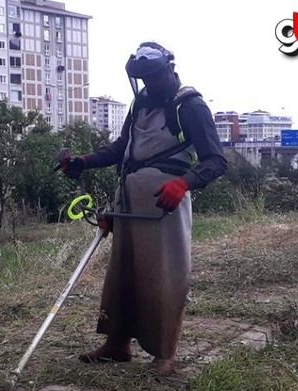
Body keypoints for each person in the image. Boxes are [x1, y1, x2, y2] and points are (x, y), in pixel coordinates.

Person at [62, 41, 228, 374]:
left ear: (170, 69)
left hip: (163, 205)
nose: (149, 83)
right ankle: (117, 344)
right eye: (143, 78)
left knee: (164, 277)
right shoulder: (140, 103)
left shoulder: (190, 106)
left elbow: (216, 161)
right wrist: (83, 161)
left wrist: (183, 184)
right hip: (128, 202)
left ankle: (165, 355)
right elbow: (121, 148)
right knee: (121, 275)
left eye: (154, 76)